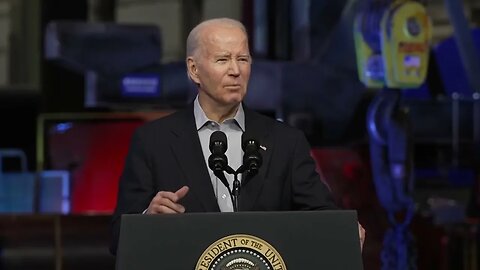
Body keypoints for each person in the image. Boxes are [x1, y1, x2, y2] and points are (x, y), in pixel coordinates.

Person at [110, 17, 365, 255]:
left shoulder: (286, 142)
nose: (235, 70)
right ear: (194, 70)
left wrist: (344, 230)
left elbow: (322, 214)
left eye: (242, 59)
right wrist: (147, 219)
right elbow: (118, 237)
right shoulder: (153, 141)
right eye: (222, 60)